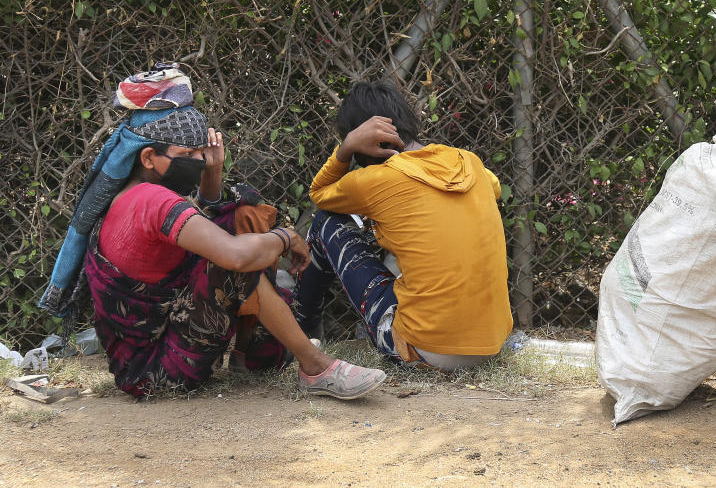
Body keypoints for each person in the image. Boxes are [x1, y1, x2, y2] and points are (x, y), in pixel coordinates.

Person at [41, 64, 386, 399]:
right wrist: (287, 237)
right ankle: (317, 369)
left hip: (147, 356)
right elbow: (232, 255)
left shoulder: (131, 193)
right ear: (148, 157)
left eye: (199, 152)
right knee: (234, 259)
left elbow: (207, 224)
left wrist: (213, 171)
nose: (197, 160)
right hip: (154, 373)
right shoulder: (153, 200)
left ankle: (250, 354)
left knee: (245, 214)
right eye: (186, 154)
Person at [296, 81, 513, 370]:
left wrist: (345, 148)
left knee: (327, 221)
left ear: (363, 141)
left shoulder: (375, 181)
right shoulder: (468, 162)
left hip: (427, 350)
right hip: (491, 345)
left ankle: (303, 331)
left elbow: (319, 193)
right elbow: (495, 187)